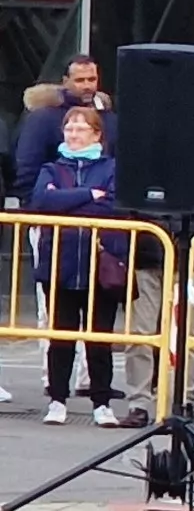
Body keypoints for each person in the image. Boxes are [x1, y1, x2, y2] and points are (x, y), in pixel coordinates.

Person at [26, 106, 130, 427]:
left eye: (80, 129)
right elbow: (42, 202)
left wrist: (67, 200)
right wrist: (88, 194)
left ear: (97, 134)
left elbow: (112, 206)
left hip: (101, 262)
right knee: (61, 335)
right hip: (61, 261)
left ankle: (102, 402)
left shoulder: (112, 168)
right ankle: (57, 399)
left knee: (99, 337)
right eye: (69, 129)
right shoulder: (52, 168)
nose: (73, 134)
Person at [13, 55, 108, 203]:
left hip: (101, 208)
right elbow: (26, 169)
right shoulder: (42, 118)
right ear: (65, 81)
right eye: (80, 80)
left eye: (92, 79)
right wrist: (35, 204)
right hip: (50, 207)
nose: (87, 86)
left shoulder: (108, 117)